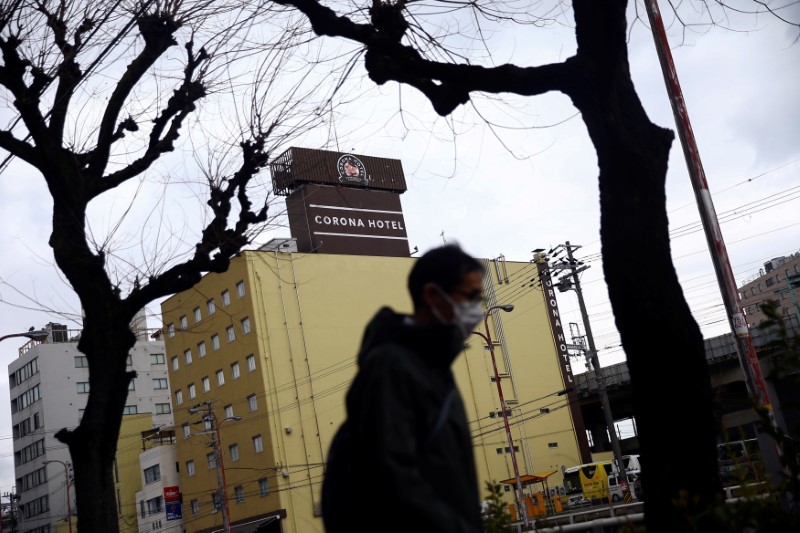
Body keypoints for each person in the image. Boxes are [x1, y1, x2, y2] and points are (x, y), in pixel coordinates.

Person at [321, 244, 485, 533]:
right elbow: (392, 474)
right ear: (433, 295)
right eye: (470, 297)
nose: (477, 311)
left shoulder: (432, 367)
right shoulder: (393, 365)